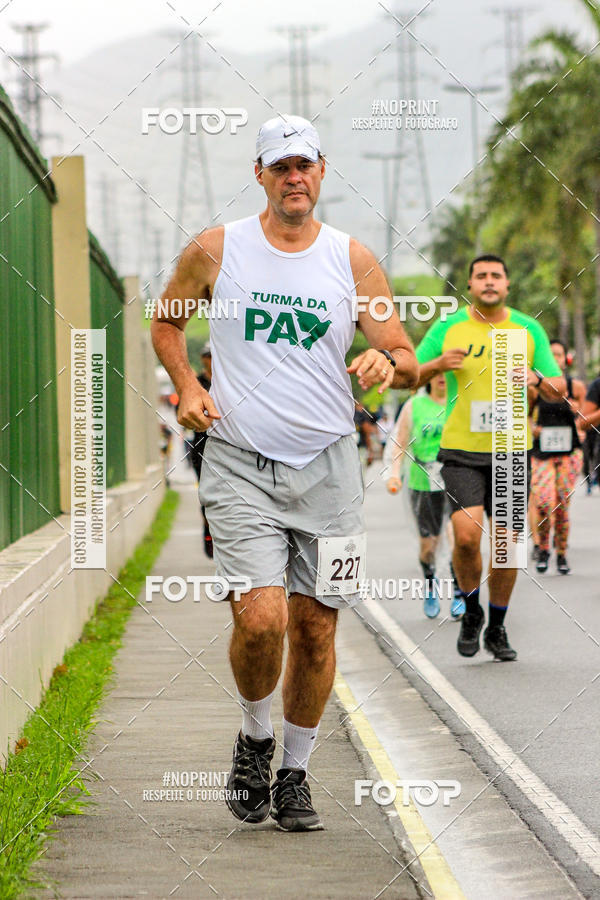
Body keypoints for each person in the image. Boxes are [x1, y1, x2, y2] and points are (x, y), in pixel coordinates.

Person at [151, 114, 419, 831]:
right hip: (240, 463)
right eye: (281, 166)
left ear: (322, 172)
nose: (294, 177)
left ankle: (296, 771)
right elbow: (166, 320)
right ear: (261, 175)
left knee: (316, 627)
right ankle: (255, 737)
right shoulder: (218, 249)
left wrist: (385, 362)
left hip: (329, 466)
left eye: (305, 164)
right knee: (262, 619)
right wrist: (188, 387)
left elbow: (405, 354)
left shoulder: (352, 260)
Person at [415, 255, 565, 661]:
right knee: (465, 537)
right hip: (461, 450)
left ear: (507, 284)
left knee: (506, 547)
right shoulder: (448, 327)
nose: (488, 281)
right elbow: (407, 371)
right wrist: (436, 364)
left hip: (511, 450)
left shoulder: (527, 328)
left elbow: (559, 385)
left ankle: (496, 626)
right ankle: (472, 610)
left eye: (496, 275)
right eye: (480, 276)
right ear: (469, 284)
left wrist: (536, 378)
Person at [384, 376, 465, 619]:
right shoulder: (414, 406)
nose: (442, 377)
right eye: (436, 372)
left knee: (457, 535)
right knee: (428, 545)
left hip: (455, 478)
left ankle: (459, 590)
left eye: (445, 372)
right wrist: (394, 473)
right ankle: (430, 583)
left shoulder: (459, 401)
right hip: (423, 482)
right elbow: (400, 442)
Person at [529, 340, 585, 574]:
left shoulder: (575, 387)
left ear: (565, 359)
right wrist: (533, 428)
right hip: (542, 453)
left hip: (569, 452)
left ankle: (561, 553)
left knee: (562, 505)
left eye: (559, 355)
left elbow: (585, 417)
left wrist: (578, 415)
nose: (555, 359)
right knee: (543, 503)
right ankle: (543, 547)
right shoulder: (535, 388)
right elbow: (525, 414)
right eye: (550, 355)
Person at [186, 343, 214, 558]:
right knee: (207, 495)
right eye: (207, 358)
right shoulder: (198, 383)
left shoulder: (231, 381)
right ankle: (209, 530)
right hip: (201, 446)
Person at [580, 374, 600, 492]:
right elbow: (583, 421)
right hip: (592, 433)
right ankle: (589, 481)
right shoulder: (597, 386)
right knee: (589, 456)